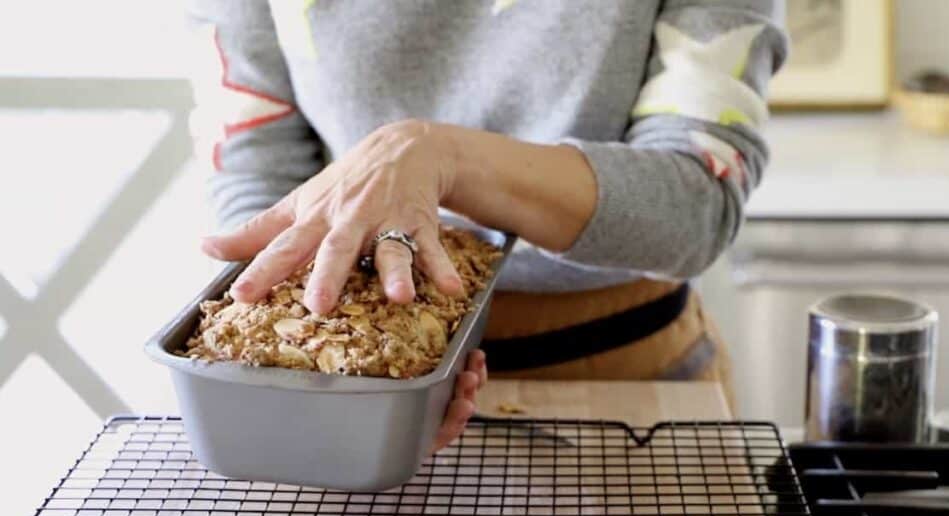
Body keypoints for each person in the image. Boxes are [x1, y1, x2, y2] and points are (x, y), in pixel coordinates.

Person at [188, 0, 788, 451]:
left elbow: (695, 206)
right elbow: (256, 169)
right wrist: (293, 363)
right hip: (348, 381)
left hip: (626, 381)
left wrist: (439, 155)